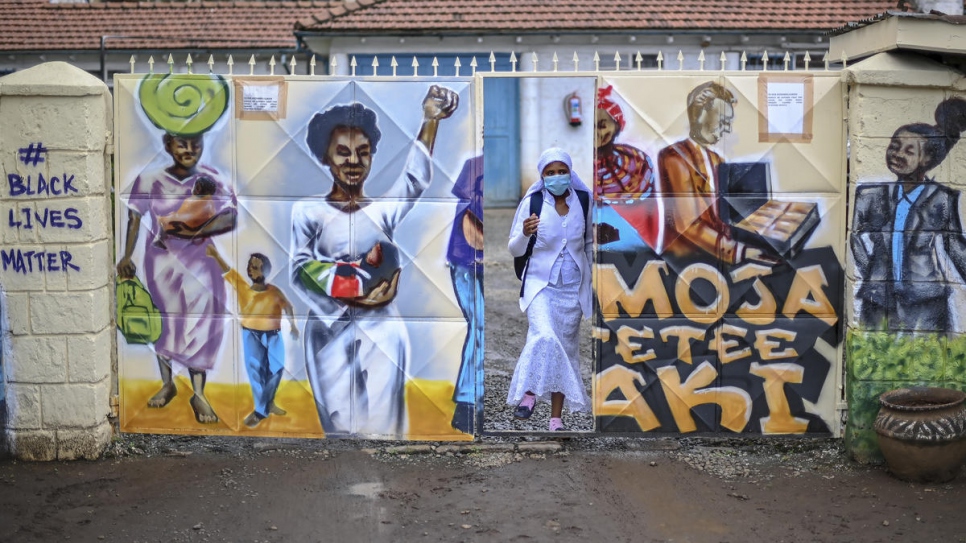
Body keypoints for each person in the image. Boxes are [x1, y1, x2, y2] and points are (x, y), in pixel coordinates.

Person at [291, 85, 459, 436]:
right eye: (342, 153)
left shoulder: (382, 211)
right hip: (327, 330)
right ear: (325, 157)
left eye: (363, 152)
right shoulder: (307, 211)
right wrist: (347, 293)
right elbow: (298, 269)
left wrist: (430, 121)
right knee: (337, 423)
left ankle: (387, 483)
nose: (353, 162)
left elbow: (414, 179)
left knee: (384, 422)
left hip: (381, 327)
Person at [117, 130, 236, 424]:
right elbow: (135, 218)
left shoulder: (212, 177)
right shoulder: (149, 179)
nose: (189, 149)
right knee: (165, 322)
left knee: (201, 323)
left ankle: (199, 393)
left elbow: (231, 215)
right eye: (181, 143)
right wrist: (126, 256)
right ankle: (168, 384)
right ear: (167, 144)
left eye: (196, 142)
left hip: (201, 264)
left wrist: (196, 230)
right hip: (161, 265)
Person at [851, 97, 966, 332]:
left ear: (927, 160)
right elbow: (853, 237)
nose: (897, 154)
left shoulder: (941, 199)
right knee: (875, 357)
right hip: (877, 301)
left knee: (928, 359)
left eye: (908, 150)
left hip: (927, 302)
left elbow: (954, 246)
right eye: (894, 145)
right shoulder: (869, 195)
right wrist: (871, 270)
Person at [506, 148, 593, 432]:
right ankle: (529, 394)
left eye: (562, 171)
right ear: (542, 176)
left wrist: (594, 282)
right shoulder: (532, 202)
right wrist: (525, 233)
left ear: (570, 172)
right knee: (544, 336)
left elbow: (589, 243)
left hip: (572, 290)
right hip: (540, 286)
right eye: (550, 173)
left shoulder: (583, 199)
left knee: (566, 352)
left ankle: (556, 420)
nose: (557, 177)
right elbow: (514, 248)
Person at [658, 81, 768, 264]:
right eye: (724, 121)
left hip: (716, 260)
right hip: (685, 262)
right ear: (700, 113)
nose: (728, 129)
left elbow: (726, 213)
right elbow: (688, 224)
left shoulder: (717, 160)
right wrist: (738, 251)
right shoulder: (674, 158)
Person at [206, 245, 299, 428]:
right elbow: (228, 271)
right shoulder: (243, 287)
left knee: (276, 369)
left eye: (255, 267)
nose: (250, 269)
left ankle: (267, 405)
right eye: (250, 265)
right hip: (251, 336)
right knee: (256, 374)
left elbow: (288, 306)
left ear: (265, 271)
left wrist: (293, 325)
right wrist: (216, 255)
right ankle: (260, 411)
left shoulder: (274, 292)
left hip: (273, 335)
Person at [447, 156, 484, 434]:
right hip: (466, 259)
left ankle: (470, 403)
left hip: (472, 257)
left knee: (480, 326)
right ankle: (469, 404)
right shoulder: (474, 165)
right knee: (479, 324)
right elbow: (469, 214)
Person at [154, 174, 218, 249]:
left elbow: (182, 218)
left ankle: (161, 241)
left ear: (198, 188)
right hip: (199, 232)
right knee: (170, 216)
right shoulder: (211, 204)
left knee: (162, 221)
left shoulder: (192, 201)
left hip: (187, 230)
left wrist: (165, 218)